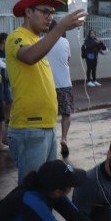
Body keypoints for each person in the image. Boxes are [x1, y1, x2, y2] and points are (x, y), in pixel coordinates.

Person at [5, 0, 87, 184]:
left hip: (46, 126)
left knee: (48, 188)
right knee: (32, 191)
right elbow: (30, 56)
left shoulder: (37, 39)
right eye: (45, 12)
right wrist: (60, 29)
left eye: (52, 13)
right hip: (30, 126)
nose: (50, 17)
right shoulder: (17, 36)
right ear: (28, 12)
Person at [45, 20, 74, 158]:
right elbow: (67, 60)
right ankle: (64, 138)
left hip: (47, 83)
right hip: (64, 82)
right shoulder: (65, 42)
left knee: (49, 114)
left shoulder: (41, 41)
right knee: (66, 113)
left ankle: (50, 142)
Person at [0, 32, 13, 124]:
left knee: (9, 99)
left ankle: (7, 118)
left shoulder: (8, 50)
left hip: (7, 79)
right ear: (4, 41)